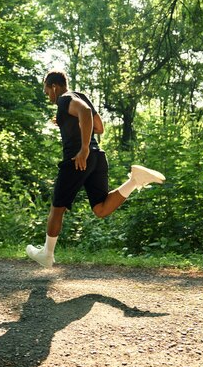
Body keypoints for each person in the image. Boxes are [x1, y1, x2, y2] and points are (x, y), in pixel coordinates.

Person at [26, 70, 166, 268]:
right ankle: (135, 180)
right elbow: (99, 127)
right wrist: (68, 123)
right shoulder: (79, 96)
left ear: (54, 87)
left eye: (47, 92)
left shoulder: (65, 99)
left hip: (77, 159)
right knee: (101, 208)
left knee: (57, 208)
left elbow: (83, 113)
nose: (48, 97)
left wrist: (82, 149)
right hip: (97, 158)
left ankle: (47, 254)